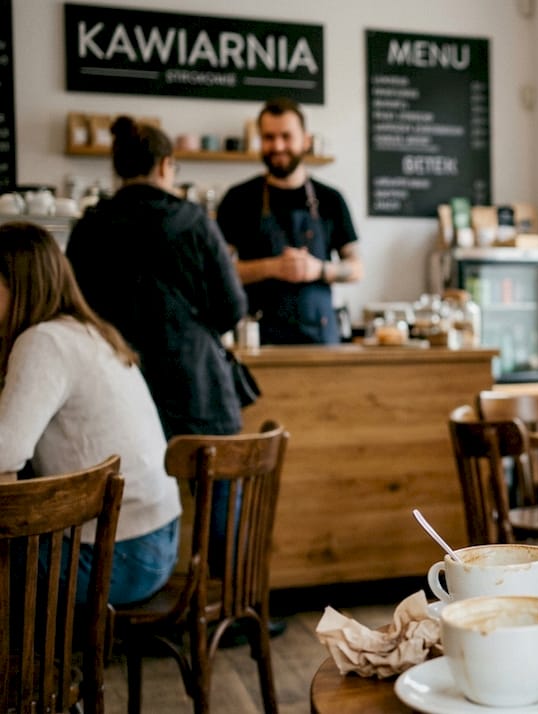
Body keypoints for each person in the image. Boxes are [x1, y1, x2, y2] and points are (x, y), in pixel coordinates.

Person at [0, 222, 181, 605]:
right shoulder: (85, 331)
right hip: (155, 542)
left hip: (116, 557)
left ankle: (35, 647)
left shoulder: (43, 341)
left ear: (17, 284)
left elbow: (5, 452)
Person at [67, 115, 247, 440]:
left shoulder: (89, 226)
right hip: (194, 390)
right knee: (203, 470)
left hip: (115, 383)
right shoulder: (194, 222)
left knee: (127, 470)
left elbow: (73, 308)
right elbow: (232, 308)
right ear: (165, 166)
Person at [216, 97, 362, 344]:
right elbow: (217, 271)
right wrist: (271, 267)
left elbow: (357, 268)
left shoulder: (331, 199)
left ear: (305, 140)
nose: (278, 146)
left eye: (286, 136)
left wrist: (319, 269)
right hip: (256, 340)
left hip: (320, 341)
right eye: (269, 137)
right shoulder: (238, 198)